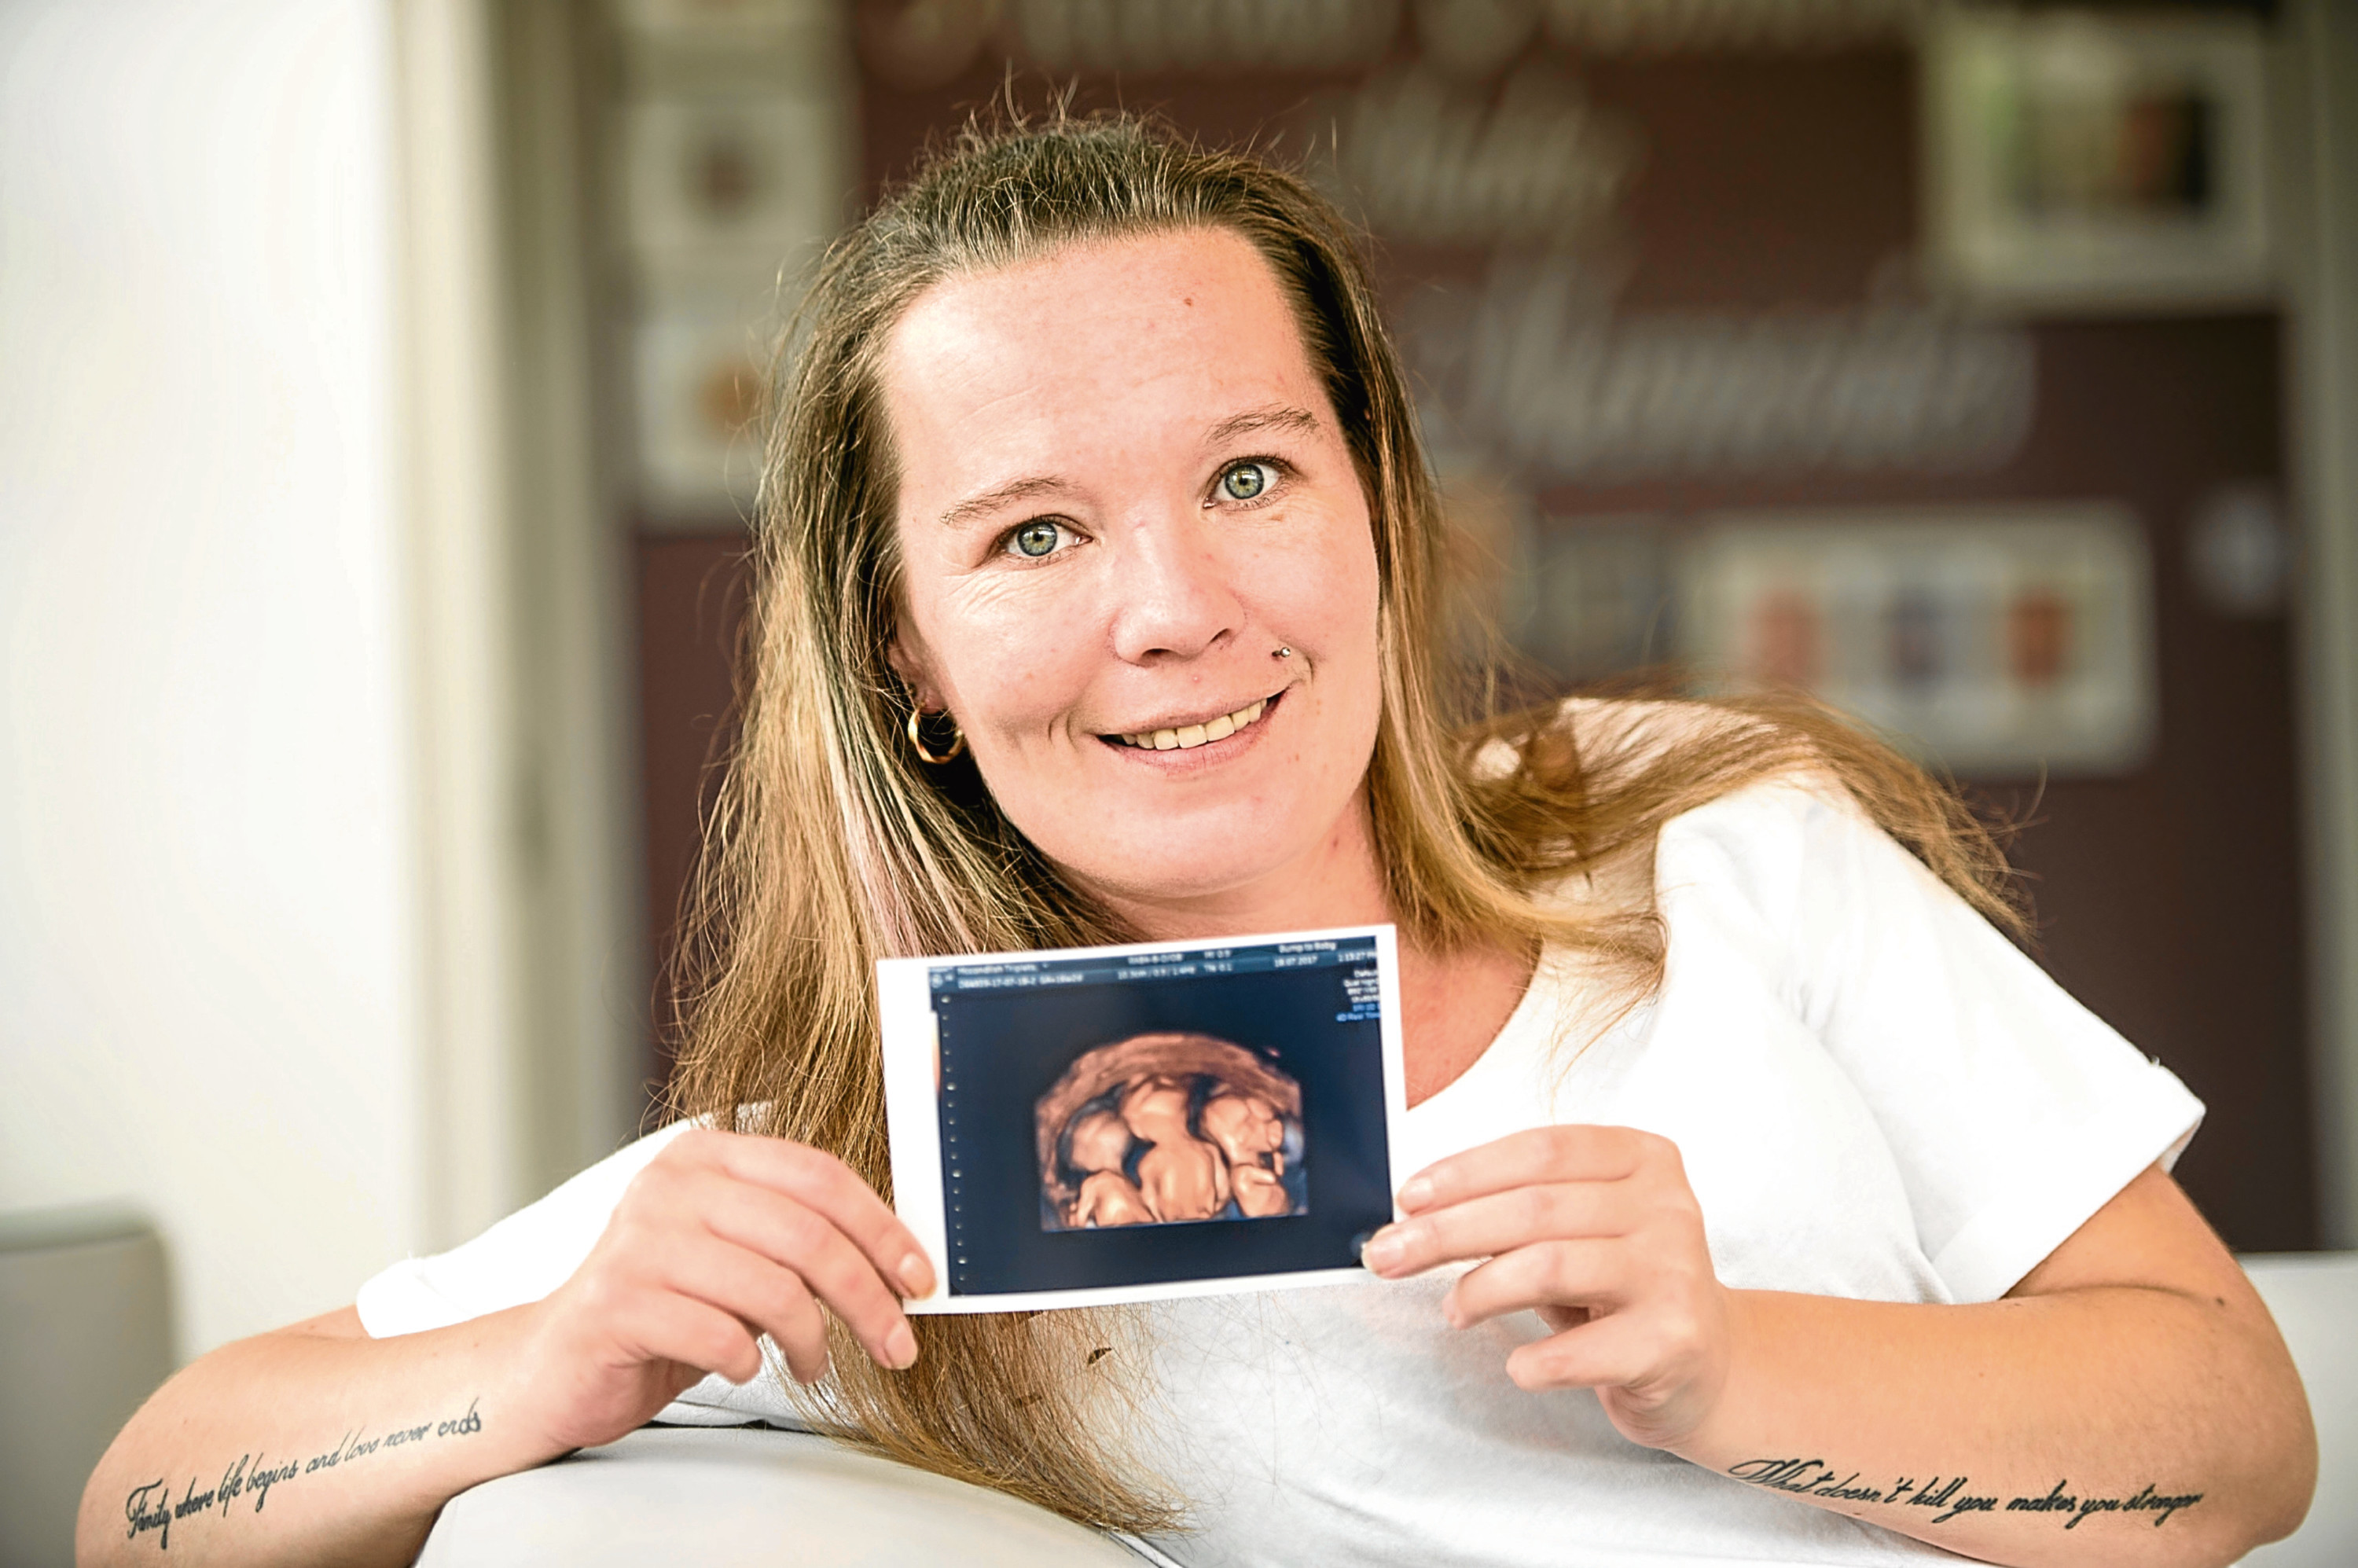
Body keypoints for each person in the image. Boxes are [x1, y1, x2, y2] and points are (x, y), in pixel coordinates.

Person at [79, 114, 2316, 1568]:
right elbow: (145, 1498)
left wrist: (1732, 1358)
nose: (1177, 611)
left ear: (1369, 510)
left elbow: (2239, 1437)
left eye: (1249, 475)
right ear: (908, 656)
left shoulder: (1711, 834)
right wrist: (541, 1358)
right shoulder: (880, 1183)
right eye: (1036, 529)